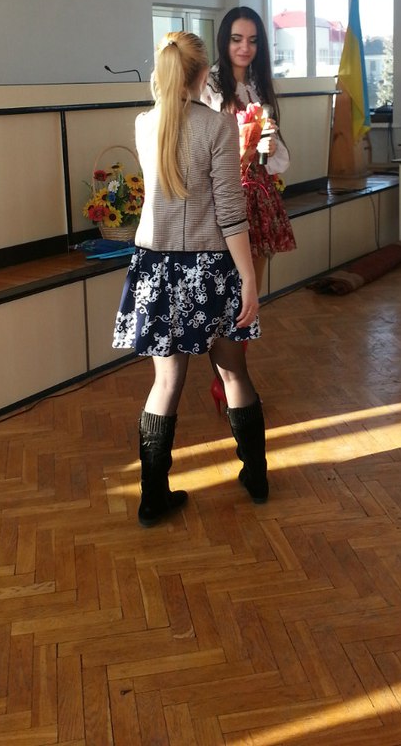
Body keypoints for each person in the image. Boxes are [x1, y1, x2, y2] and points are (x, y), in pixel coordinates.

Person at [113, 32, 269, 527]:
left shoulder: (144, 124)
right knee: (233, 373)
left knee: (166, 382)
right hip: (209, 267)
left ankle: (151, 498)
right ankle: (257, 477)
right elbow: (230, 213)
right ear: (204, 74)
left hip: (155, 267)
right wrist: (249, 278)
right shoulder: (217, 126)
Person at [201, 7, 296, 412]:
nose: (245, 47)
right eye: (237, 39)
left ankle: (231, 382)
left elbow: (278, 159)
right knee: (228, 296)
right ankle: (227, 380)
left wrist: (269, 147)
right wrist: (240, 139)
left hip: (259, 197)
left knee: (250, 300)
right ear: (224, 40)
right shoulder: (209, 85)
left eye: (253, 40)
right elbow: (203, 147)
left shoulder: (259, 86)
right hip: (223, 199)